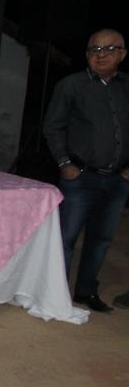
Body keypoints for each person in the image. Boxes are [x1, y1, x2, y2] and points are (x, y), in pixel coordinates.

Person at [42, 28, 128, 314]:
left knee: (101, 240)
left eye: (108, 49)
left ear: (122, 54)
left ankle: (86, 291)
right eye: (94, 50)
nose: (100, 55)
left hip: (117, 180)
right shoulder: (71, 86)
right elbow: (53, 127)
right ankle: (57, 296)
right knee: (65, 239)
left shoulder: (126, 87)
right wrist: (65, 164)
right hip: (80, 178)